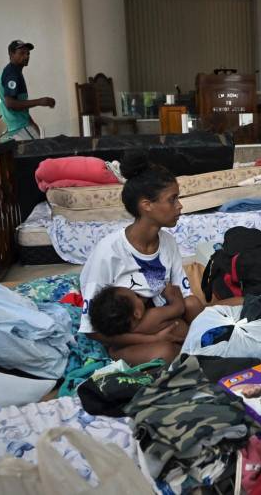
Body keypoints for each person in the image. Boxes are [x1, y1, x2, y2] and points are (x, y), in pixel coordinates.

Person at [79, 152, 204, 365]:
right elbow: (92, 330)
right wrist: (153, 338)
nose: (180, 205)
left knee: (193, 304)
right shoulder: (109, 251)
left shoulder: (167, 243)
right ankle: (124, 354)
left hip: (160, 317)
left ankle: (201, 346)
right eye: (172, 199)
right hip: (126, 335)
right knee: (164, 352)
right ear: (147, 205)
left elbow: (183, 298)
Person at [87, 285, 191, 364]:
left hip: (131, 355)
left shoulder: (120, 332)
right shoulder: (152, 316)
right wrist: (173, 293)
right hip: (183, 344)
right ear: (137, 313)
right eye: (136, 296)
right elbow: (179, 308)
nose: (140, 297)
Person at [0, 40, 56, 140]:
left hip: (16, 127)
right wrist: (40, 101)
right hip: (18, 129)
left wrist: (31, 122)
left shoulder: (13, 71)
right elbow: (10, 103)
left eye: (28, 53)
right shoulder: (12, 74)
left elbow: (19, 103)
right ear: (11, 54)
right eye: (21, 53)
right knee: (41, 151)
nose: (26, 56)